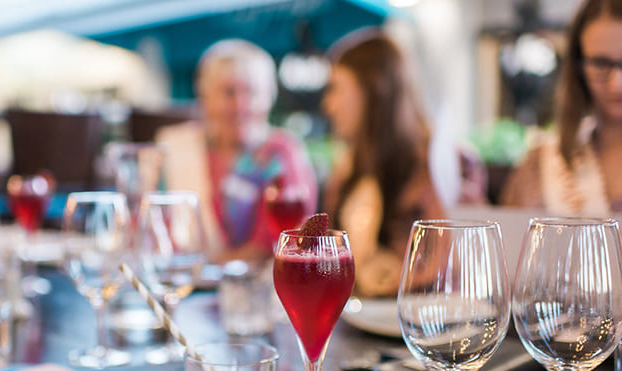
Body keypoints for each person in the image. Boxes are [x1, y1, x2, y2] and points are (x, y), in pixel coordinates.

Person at [157, 39, 318, 263]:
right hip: (183, 286)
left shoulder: (281, 153)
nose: (241, 105)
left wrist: (201, 270)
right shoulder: (179, 149)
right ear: (205, 97)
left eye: (251, 92)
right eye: (228, 92)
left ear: (269, 97)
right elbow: (154, 226)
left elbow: (275, 244)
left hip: (260, 287)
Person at [321, 30, 445, 297]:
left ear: (373, 88)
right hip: (356, 321)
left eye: (336, 88)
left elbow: (451, 265)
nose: (327, 105)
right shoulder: (349, 166)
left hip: (415, 325)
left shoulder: (434, 166)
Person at [500, 0, 622, 213]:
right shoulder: (542, 165)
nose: (616, 84)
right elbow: (511, 239)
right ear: (578, 65)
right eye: (601, 64)